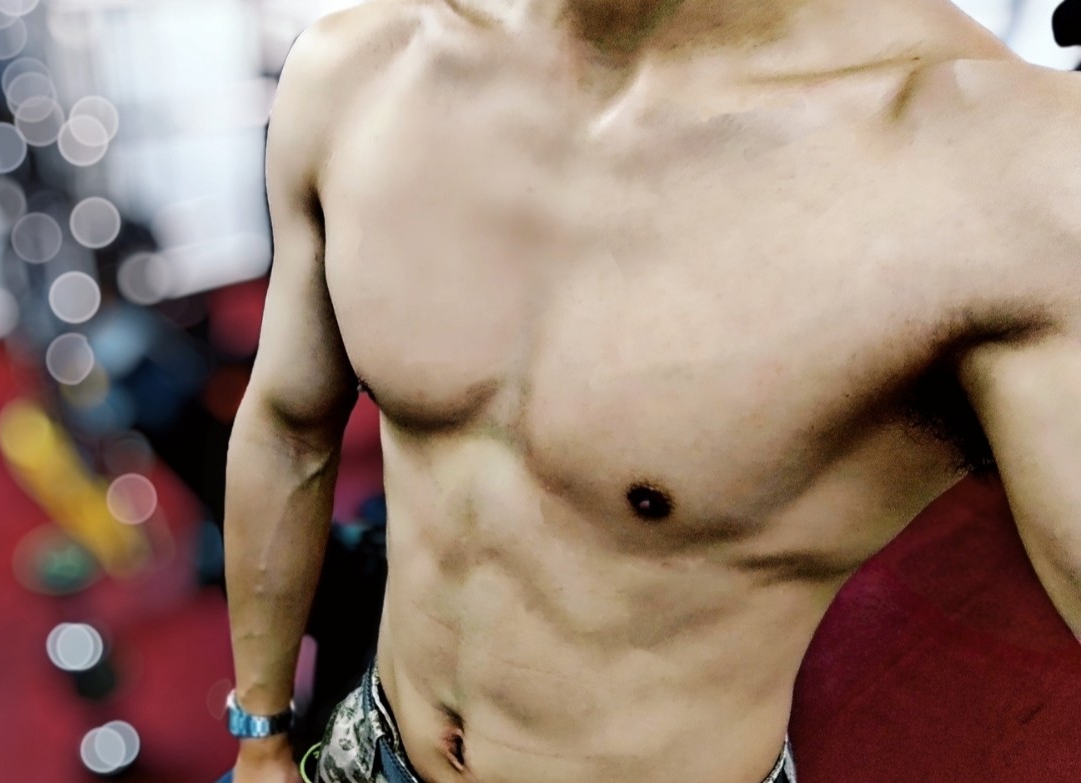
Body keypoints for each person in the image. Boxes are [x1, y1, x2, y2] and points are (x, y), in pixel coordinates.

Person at [221, 0, 1081, 781]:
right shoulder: (360, 68)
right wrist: (261, 734)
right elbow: (290, 425)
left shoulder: (1000, 170)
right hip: (369, 749)